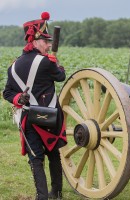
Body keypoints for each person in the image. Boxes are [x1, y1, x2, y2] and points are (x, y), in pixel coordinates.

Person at [3, 12, 66, 200]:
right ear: (35, 41)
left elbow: (7, 92)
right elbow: (60, 76)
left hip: (29, 119)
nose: (48, 45)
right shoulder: (46, 62)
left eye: (48, 42)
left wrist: (18, 99)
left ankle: (41, 196)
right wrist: (57, 64)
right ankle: (56, 193)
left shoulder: (13, 67)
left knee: (36, 159)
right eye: (45, 41)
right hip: (49, 118)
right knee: (54, 154)